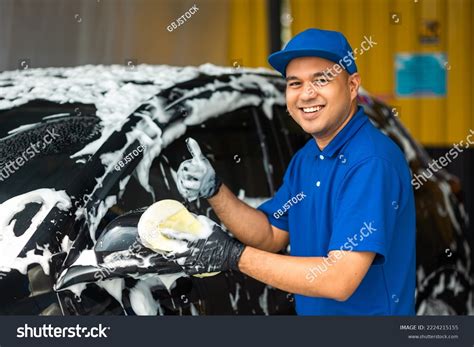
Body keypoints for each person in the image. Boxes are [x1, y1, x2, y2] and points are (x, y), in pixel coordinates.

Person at [167, 28, 416, 315]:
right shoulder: (307, 158)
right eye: (295, 83)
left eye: (321, 79)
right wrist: (214, 189)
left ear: (352, 86)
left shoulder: (371, 162)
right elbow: (270, 234)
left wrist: (233, 257)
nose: (307, 94)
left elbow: (339, 280)